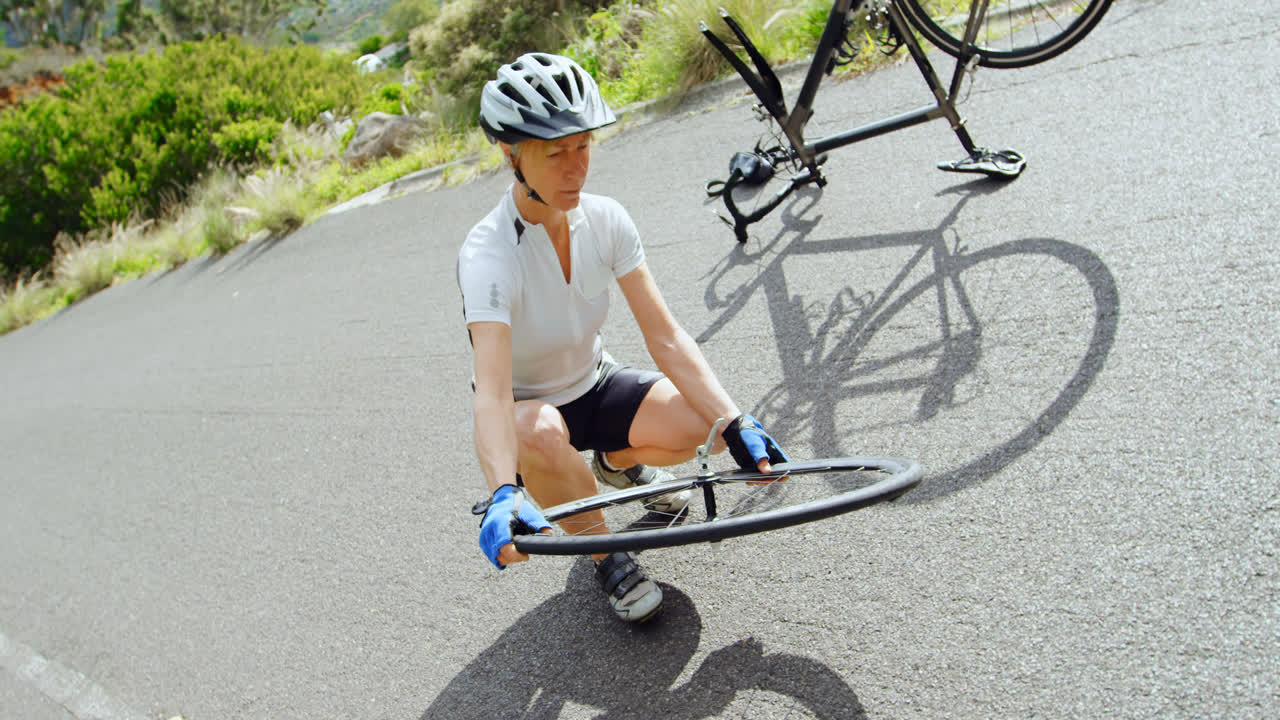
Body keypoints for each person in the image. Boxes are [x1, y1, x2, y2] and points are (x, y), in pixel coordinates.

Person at [458, 52, 789, 623]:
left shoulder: (607, 218)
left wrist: (735, 421)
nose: (575, 168)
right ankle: (607, 556)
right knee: (534, 431)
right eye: (554, 152)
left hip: (594, 384)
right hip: (531, 413)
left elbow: (665, 335)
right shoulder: (487, 254)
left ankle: (615, 461)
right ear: (511, 155)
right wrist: (501, 492)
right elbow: (489, 391)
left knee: (701, 425)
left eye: (583, 146)